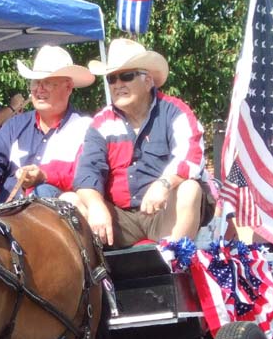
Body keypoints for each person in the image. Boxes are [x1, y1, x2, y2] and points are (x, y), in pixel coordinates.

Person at [71, 38, 208, 248]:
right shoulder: (101, 122)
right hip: (119, 218)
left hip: (163, 213)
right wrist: (96, 205)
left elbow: (191, 157)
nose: (118, 85)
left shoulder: (175, 112)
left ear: (148, 80)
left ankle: (174, 268)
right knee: (71, 202)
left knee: (190, 189)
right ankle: (94, 278)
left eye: (126, 76)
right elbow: (87, 173)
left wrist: (164, 183)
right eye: (112, 78)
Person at [0, 45, 94, 202]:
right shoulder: (14, 126)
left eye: (47, 82)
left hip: (58, 222)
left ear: (68, 87)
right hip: (5, 221)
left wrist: (45, 177)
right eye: (35, 82)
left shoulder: (85, 128)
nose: (39, 89)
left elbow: (89, 180)